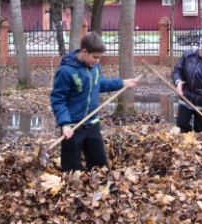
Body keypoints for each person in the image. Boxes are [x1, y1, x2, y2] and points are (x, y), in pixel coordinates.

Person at [50, 32, 139, 172]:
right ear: (84, 51)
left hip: (92, 123)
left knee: (100, 166)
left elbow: (100, 84)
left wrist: (122, 83)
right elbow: (58, 99)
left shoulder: (94, 67)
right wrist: (65, 124)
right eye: (95, 57)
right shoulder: (66, 71)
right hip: (73, 127)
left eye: (99, 58)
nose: (97, 61)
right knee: (70, 168)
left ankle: (101, 188)